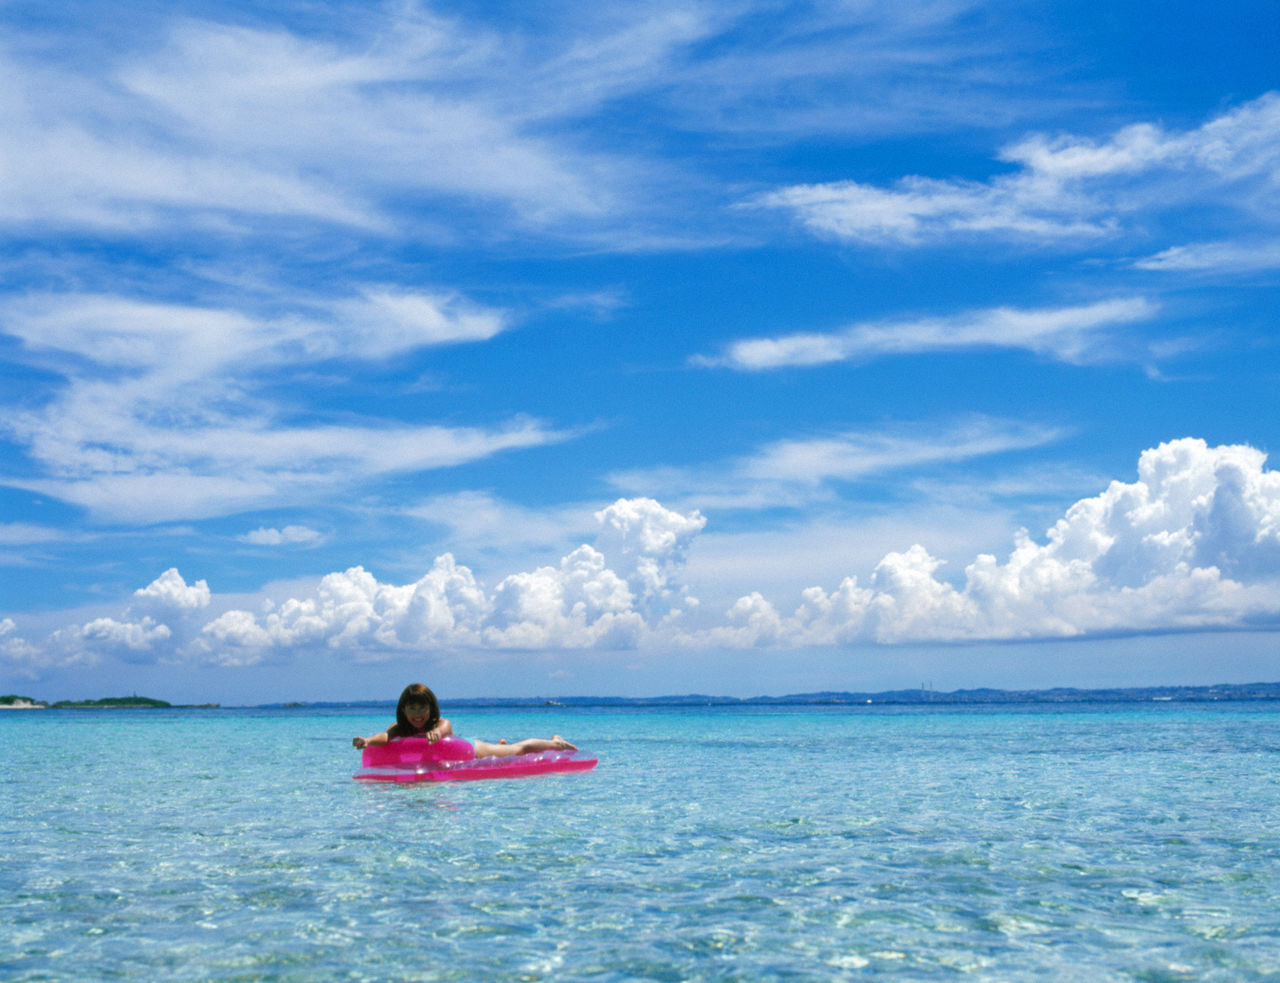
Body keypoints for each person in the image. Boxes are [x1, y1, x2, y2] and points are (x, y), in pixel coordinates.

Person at [352, 683, 577, 757]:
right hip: (452, 756)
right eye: (412, 708)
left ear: (432, 709)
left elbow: (444, 731)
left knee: (519, 750)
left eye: (423, 708)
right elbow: (385, 736)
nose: (418, 714)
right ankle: (499, 746)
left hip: (470, 749)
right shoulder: (398, 728)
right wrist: (367, 741)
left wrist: (435, 735)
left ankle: (556, 742)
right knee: (506, 749)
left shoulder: (440, 724)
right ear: (403, 709)